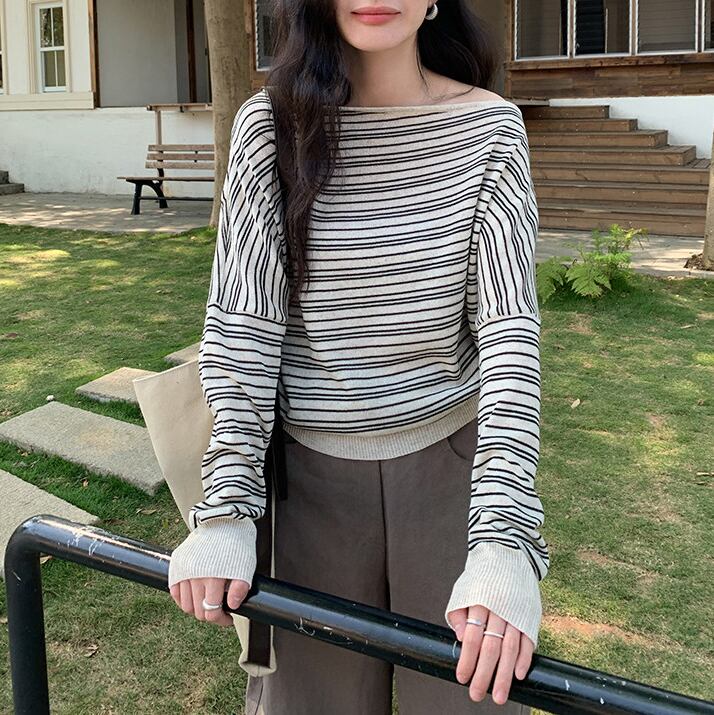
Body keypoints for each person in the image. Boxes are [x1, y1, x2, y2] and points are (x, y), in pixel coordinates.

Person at [168, 0, 550, 712]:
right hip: (306, 487)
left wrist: (504, 540)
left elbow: (509, 337)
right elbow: (244, 328)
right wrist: (225, 512)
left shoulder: (491, 128)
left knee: (471, 697)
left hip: (453, 475)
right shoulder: (269, 126)